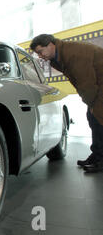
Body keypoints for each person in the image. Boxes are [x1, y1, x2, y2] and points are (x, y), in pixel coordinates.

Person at [29, 34, 103, 173]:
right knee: (93, 119)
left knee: (98, 119)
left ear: (51, 45)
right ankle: (97, 155)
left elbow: (87, 84)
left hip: (99, 86)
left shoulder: (73, 54)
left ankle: (100, 160)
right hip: (97, 86)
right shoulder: (60, 55)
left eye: (40, 51)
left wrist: (91, 104)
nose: (40, 56)